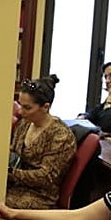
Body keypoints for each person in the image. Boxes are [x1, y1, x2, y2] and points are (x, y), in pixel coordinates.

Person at [6, 76, 76, 209]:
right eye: (20, 105)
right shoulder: (24, 125)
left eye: (27, 108)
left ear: (45, 107)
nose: (20, 111)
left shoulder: (61, 136)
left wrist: (10, 173)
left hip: (39, 195)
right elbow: (13, 153)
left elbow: (46, 177)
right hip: (16, 185)